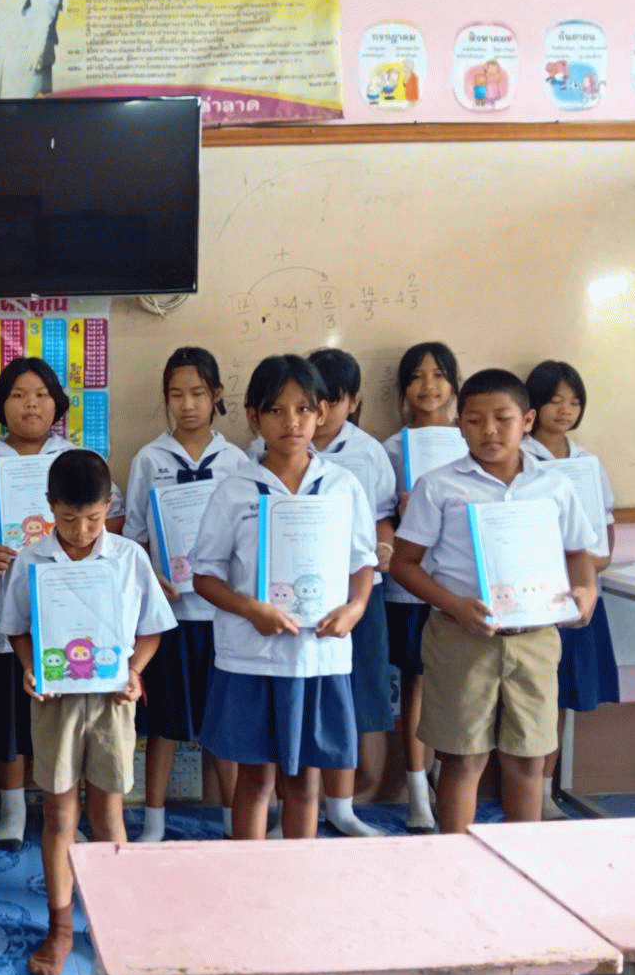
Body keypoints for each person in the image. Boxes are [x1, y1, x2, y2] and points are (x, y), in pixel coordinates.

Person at [391, 370, 598, 834]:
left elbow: (577, 554)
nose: (489, 431)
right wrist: (454, 605)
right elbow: (405, 564)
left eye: (502, 418)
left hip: (534, 639)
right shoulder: (438, 486)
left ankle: (522, 863)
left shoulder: (554, 486)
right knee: (462, 759)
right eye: (474, 420)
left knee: (527, 760)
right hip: (460, 637)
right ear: (458, 425)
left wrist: (585, 591)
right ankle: (456, 863)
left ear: (527, 421)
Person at [0, 449, 174, 975]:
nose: (80, 531)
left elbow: (152, 628)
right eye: (69, 518)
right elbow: (17, 628)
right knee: (58, 814)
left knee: (109, 811)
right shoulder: (32, 559)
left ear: (108, 508)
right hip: (54, 702)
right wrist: (30, 667)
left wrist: (134, 671)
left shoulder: (128, 558)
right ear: (50, 507)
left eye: (94, 519)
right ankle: (60, 928)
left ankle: (113, 919)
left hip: (111, 702)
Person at [192, 356, 376, 841]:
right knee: (255, 779)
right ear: (254, 416)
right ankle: (249, 874)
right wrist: (250, 609)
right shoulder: (235, 489)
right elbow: (205, 575)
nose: (291, 422)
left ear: (321, 413)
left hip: (317, 656)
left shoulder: (341, 485)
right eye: (276, 410)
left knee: (304, 780)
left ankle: (298, 877)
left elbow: (362, 561)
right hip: (253, 656)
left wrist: (356, 607)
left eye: (303, 409)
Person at [0, 356, 123, 849]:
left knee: (68, 719)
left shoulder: (80, 460)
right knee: (7, 721)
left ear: (58, 404)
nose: (31, 404)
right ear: (1, 404)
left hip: (73, 620)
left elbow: (114, 520)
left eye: (42, 395)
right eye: (19, 395)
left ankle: (67, 812)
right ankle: (12, 811)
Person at [122, 347, 247, 841]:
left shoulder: (237, 461)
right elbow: (133, 535)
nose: (188, 404)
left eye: (197, 393)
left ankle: (237, 820)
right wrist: (152, 578)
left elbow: (247, 536)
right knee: (165, 722)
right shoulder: (149, 459)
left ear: (216, 395)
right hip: (168, 614)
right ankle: (153, 821)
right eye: (176, 395)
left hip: (222, 615)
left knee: (225, 722)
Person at [303, 349, 398, 838]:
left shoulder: (368, 453)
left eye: (333, 401)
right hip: (299, 596)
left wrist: (384, 548)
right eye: (311, 401)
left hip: (359, 593)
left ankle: (352, 802)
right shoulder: (274, 447)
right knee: (306, 695)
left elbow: (382, 518)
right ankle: (304, 805)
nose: (319, 413)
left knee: (360, 693)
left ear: (354, 402)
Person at [522, 360, 618, 819]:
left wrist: (595, 561)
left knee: (560, 696)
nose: (565, 410)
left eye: (574, 402)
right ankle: (513, 789)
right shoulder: (519, 458)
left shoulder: (587, 462)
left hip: (575, 594)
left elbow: (605, 528)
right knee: (525, 694)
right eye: (555, 400)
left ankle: (544, 791)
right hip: (532, 594)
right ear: (533, 406)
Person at [381, 341, 461, 833]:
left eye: (438, 375)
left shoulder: (472, 441)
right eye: (416, 376)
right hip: (410, 587)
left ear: (454, 383)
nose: (428, 386)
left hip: (459, 587)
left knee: (452, 686)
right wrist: (400, 512)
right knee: (415, 684)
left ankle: (443, 780)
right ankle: (416, 794)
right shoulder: (390, 449)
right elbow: (375, 521)